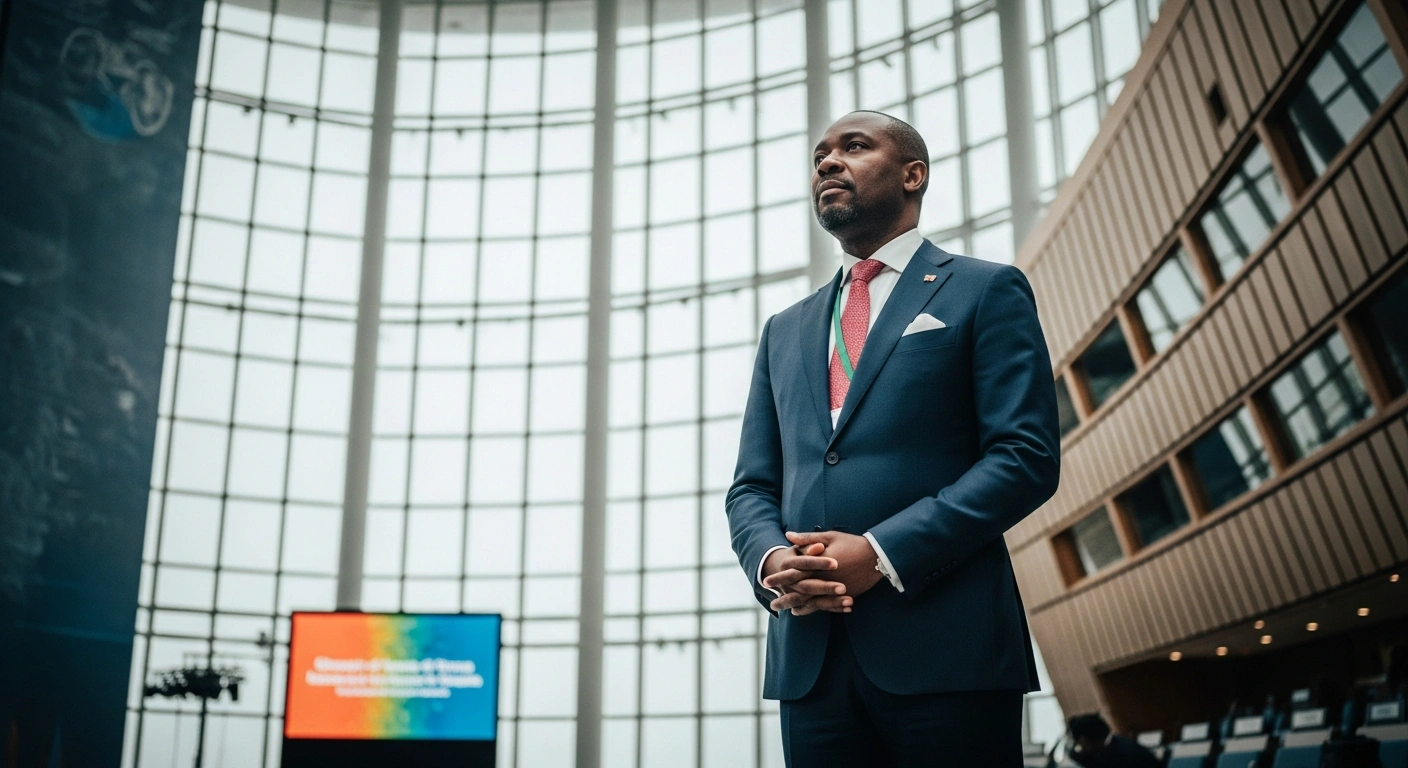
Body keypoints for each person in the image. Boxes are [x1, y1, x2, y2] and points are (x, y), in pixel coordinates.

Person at [725, 109, 1060, 767]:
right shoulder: (784, 330)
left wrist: (880, 553)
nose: (827, 161)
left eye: (853, 146)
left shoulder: (985, 291)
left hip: (948, 649)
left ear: (913, 175)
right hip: (810, 661)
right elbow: (753, 486)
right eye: (820, 152)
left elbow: (1025, 457)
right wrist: (772, 565)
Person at [1066, 714, 1162, 768]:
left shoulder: (1122, 754)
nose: (1080, 747)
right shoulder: (1116, 744)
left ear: (1084, 740)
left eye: (1078, 743)